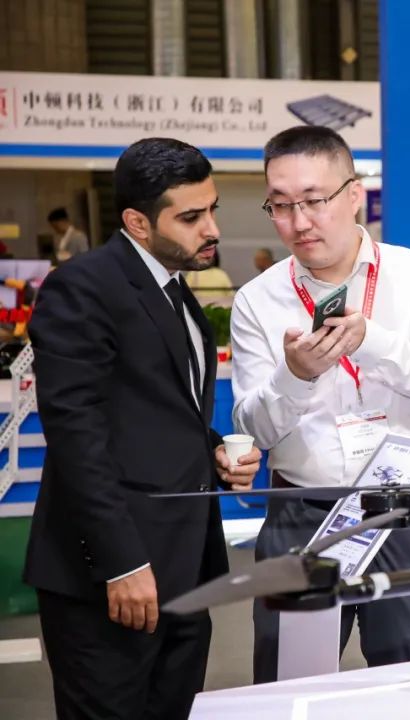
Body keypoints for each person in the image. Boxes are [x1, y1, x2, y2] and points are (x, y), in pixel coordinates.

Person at [25, 137, 262, 719]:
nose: (211, 229)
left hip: (185, 571)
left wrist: (213, 452)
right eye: (191, 217)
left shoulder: (176, 290)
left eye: (212, 210)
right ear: (137, 222)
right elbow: (77, 436)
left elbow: (156, 411)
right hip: (111, 577)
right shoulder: (83, 288)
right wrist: (122, 564)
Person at [230, 126, 410, 683]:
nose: (299, 221)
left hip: (406, 510)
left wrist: (373, 342)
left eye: (314, 200)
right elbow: (254, 426)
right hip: (302, 514)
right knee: (291, 680)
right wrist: (295, 376)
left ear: (354, 194)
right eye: (281, 205)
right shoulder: (257, 300)